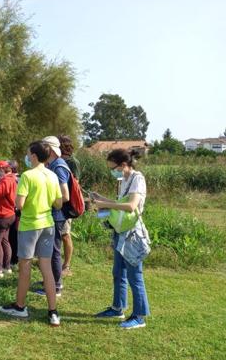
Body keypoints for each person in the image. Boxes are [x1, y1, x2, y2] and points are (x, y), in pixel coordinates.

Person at [0, 141, 63, 326]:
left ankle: (20, 307)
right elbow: (58, 203)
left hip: (29, 226)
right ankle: (53, 312)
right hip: (48, 226)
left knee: (25, 267)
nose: (27, 157)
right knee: (46, 268)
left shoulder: (27, 176)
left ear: (34, 156)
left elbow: (19, 204)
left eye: (28, 154)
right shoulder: (52, 176)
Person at [92, 149, 150, 329]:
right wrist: (100, 199)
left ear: (123, 165)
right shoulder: (123, 179)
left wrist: (104, 204)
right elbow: (119, 205)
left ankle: (139, 316)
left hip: (132, 235)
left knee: (135, 276)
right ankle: (118, 308)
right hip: (120, 232)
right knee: (118, 273)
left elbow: (131, 206)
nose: (112, 171)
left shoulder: (137, 179)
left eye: (113, 168)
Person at [36, 136, 70, 297]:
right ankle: (51, 282)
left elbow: (65, 195)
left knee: (54, 251)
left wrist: (46, 201)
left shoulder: (59, 167)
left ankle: (56, 286)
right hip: (53, 214)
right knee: (50, 250)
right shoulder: (54, 165)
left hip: (57, 215)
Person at [58, 135, 81, 277]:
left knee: (65, 234)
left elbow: (76, 182)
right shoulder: (58, 161)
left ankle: (66, 265)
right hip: (58, 200)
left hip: (67, 202)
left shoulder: (73, 162)